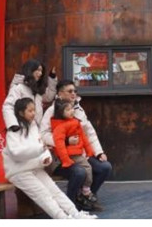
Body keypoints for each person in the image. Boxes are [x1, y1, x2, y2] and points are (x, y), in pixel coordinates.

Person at [2, 98, 97, 219]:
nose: (33, 113)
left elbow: (42, 146)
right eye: (30, 111)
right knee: (44, 195)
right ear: (21, 113)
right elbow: (16, 153)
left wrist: (45, 158)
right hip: (19, 172)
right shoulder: (14, 130)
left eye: (34, 110)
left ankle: (76, 214)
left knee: (55, 191)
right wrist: (40, 150)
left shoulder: (33, 126)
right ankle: (63, 218)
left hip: (35, 167)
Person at [41, 80, 112, 211]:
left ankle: (86, 196)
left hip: (80, 154)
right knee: (79, 172)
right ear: (60, 93)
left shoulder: (78, 109)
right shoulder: (52, 111)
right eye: (70, 91)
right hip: (59, 158)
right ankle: (70, 204)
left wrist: (99, 153)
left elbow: (89, 133)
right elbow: (43, 134)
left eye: (75, 91)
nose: (73, 94)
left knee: (105, 167)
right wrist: (65, 141)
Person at [51, 99, 97, 209]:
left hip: (78, 152)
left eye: (72, 108)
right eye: (67, 110)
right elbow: (60, 145)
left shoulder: (75, 122)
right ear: (60, 112)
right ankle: (86, 191)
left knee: (88, 169)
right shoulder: (60, 126)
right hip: (71, 155)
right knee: (87, 168)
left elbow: (84, 138)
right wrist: (66, 160)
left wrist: (89, 150)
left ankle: (82, 193)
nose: (71, 111)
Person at [3, 59, 57, 132]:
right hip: (21, 129)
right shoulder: (18, 87)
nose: (40, 73)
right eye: (38, 70)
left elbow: (48, 97)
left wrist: (52, 77)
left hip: (36, 129)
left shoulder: (37, 89)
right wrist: (13, 124)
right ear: (30, 70)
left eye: (41, 71)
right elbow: (8, 106)